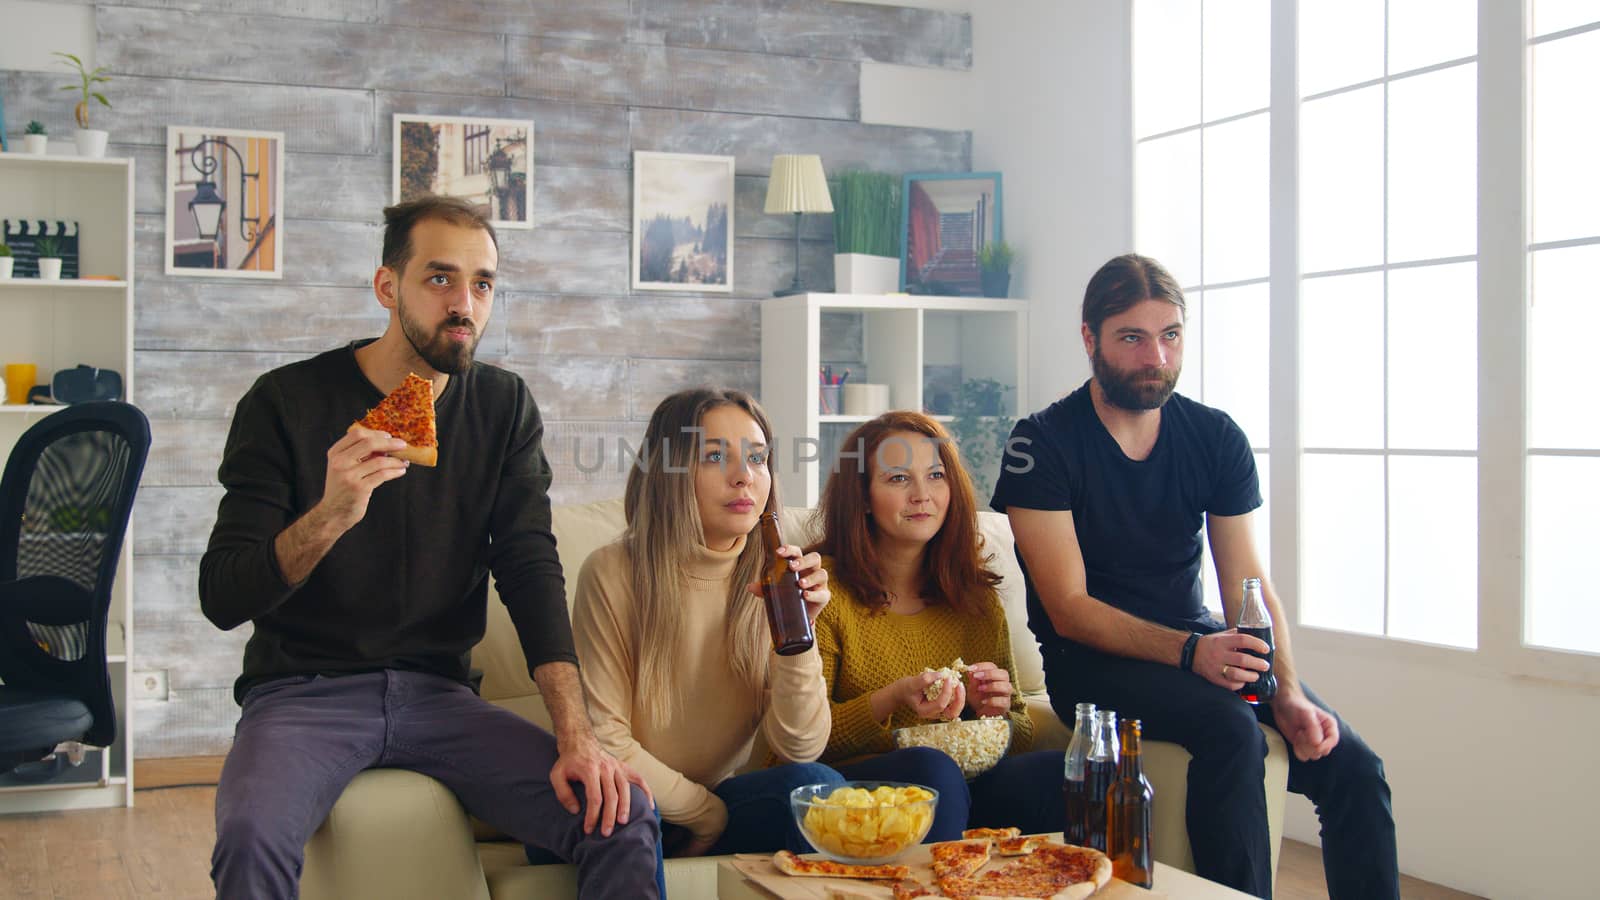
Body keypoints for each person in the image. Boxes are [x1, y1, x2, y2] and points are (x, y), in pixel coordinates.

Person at [199, 196, 661, 900]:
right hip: (302, 693)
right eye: (440, 279)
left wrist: (579, 735)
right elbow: (223, 596)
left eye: (482, 284)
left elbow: (529, 565)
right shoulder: (283, 402)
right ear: (388, 288)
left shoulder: (503, 407)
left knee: (622, 817)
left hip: (441, 696)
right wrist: (332, 513)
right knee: (248, 837)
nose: (464, 304)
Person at [991, 253, 1398, 899]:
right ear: (1090, 338)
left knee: (1352, 764)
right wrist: (1192, 653)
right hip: (1093, 664)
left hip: (1198, 642)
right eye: (1132, 337)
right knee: (1232, 730)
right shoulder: (1041, 443)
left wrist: (1286, 690)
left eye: (1170, 335)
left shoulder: (1214, 436)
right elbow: (1068, 607)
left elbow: (1249, 588)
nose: (1155, 355)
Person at [570, 387, 843, 858]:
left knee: (818, 788)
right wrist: (706, 815)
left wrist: (798, 636)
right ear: (670, 472)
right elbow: (606, 739)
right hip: (631, 796)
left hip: (726, 797)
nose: (743, 478)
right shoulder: (613, 571)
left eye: (757, 459)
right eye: (715, 456)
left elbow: (801, 748)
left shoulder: (772, 574)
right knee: (623, 809)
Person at [809, 411, 1066, 842]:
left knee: (1059, 770)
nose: (922, 495)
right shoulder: (823, 592)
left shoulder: (975, 599)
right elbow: (802, 743)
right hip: (851, 792)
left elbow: (1020, 731)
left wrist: (996, 713)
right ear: (863, 497)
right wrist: (891, 699)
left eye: (935, 475)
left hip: (958, 788)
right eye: (897, 479)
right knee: (932, 770)